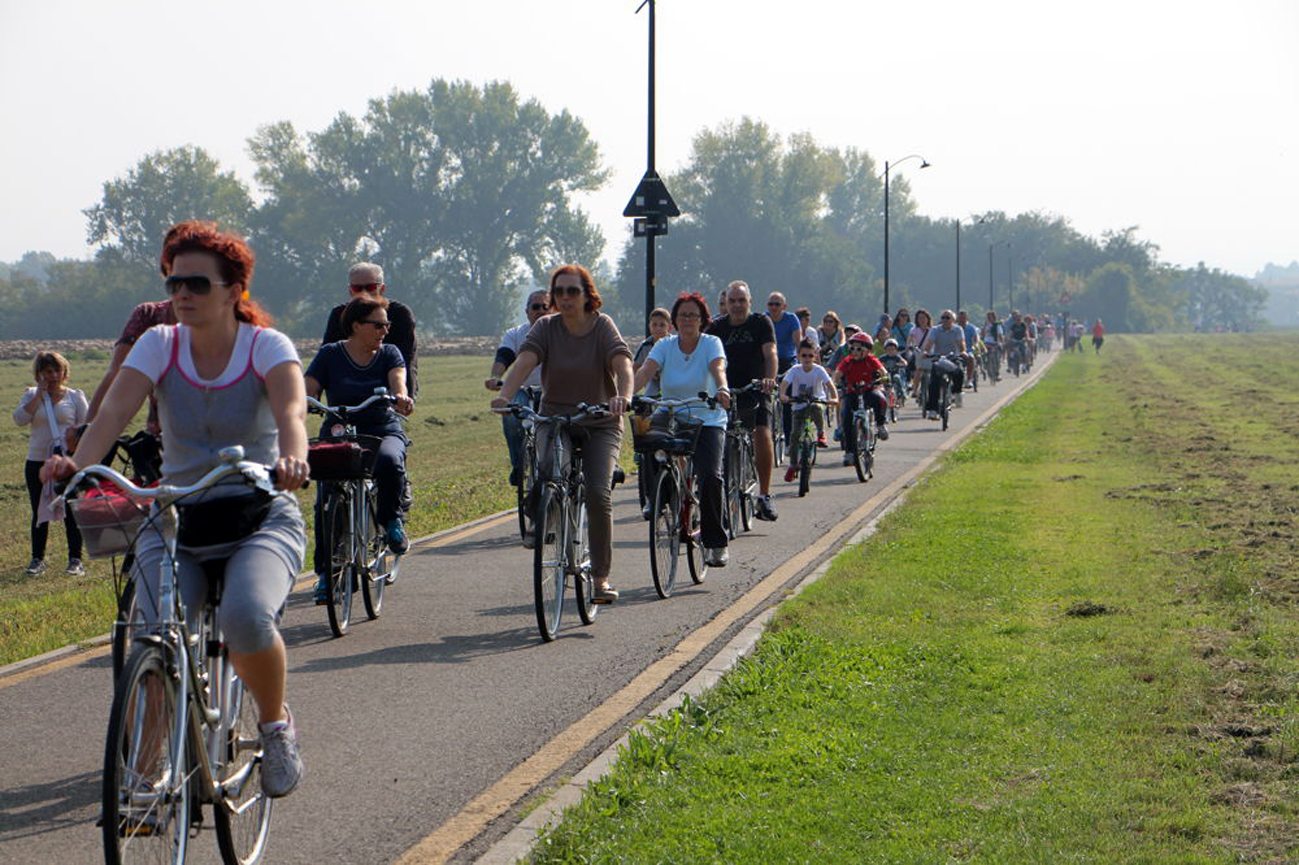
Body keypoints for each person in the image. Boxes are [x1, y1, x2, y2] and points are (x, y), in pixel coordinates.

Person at [43, 220, 311, 798]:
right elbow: (111, 416)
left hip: (259, 514)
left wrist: (292, 460)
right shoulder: (158, 344)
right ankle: (146, 761)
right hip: (176, 517)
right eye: (172, 283)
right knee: (154, 634)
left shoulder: (268, 346)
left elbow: (292, 414)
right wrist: (76, 465)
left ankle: (274, 725)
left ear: (233, 289)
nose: (181, 295)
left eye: (195, 283)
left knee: (244, 617)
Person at [491, 264, 633, 602]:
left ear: (587, 295)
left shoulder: (602, 325)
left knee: (598, 493)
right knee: (550, 474)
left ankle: (600, 578)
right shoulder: (546, 327)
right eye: (559, 292)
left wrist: (623, 397)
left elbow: (622, 363)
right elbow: (525, 361)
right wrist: (505, 395)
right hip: (556, 420)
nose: (565, 298)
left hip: (600, 422)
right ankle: (552, 513)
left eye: (572, 291)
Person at [306, 294, 415, 600]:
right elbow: (309, 386)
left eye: (387, 324)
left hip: (381, 428)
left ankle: (392, 520)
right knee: (326, 502)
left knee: (391, 460)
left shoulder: (390, 353)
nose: (385, 330)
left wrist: (401, 397)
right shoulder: (329, 354)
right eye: (378, 324)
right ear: (355, 325)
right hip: (339, 430)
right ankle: (327, 574)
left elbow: (399, 379)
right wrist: (300, 399)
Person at [633, 293, 731, 566]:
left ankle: (715, 542)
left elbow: (717, 367)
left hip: (707, 417)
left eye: (693, 315)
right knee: (646, 441)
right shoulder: (664, 346)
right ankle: (659, 499)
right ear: (674, 320)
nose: (687, 320)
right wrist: (625, 395)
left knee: (710, 475)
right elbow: (644, 372)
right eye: (683, 315)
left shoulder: (711, 343)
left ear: (703, 320)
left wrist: (722, 387)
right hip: (671, 412)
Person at [707, 281, 779, 521]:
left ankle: (764, 496)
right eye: (732, 301)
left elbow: (770, 353)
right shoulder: (716, 327)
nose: (737, 305)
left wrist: (769, 380)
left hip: (755, 388)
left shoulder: (760, 323)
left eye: (741, 300)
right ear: (725, 304)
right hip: (725, 390)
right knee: (717, 436)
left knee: (761, 432)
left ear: (750, 302)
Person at [15, 351, 88, 576]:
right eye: (48, 371)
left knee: (72, 509)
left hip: (67, 463)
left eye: (57, 371)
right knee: (38, 510)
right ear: (39, 374)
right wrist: (39, 394)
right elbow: (19, 419)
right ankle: (37, 559)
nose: (54, 375)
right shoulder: (31, 396)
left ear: (65, 373)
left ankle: (75, 560)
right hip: (37, 461)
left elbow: (87, 427)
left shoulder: (75, 397)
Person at [322, 262, 419, 399]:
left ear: (382, 289)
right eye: (357, 288)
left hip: (386, 390)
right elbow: (326, 360)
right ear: (350, 291)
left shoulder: (400, 315)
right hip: (348, 391)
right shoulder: (338, 315)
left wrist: (405, 396)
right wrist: (313, 394)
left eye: (370, 287)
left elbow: (405, 359)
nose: (364, 293)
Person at [486, 289, 549, 485]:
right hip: (524, 389)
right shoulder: (515, 334)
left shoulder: (560, 333)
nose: (540, 311)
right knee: (511, 416)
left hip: (552, 390)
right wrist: (496, 377)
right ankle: (519, 464)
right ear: (527, 311)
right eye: (536, 307)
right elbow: (504, 355)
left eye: (545, 307)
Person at [86, 298, 177, 432]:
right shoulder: (149, 316)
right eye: (176, 283)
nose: (185, 292)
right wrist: (86, 428)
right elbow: (117, 372)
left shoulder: (218, 323)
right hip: (161, 437)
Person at [780, 339, 838, 481]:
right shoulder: (795, 370)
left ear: (815, 357)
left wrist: (834, 398)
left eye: (810, 356)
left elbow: (830, 385)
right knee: (794, 436)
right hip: (798, 405)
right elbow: (785, 383)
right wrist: (783, 395)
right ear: (799, 356)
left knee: (815, 407)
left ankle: (820, 432)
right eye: (804, 355)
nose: (807, 359)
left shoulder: (819, 370)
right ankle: (793, 465)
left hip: (816, 402)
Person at [832, 333, 889, 465]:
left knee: (880, 399)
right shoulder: (847, 361)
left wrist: (884, 377)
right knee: (846, 416)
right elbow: (837, 374)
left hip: (869, 390)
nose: (855, 352)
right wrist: (836, 384)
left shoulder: (871, 360)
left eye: (859, 349)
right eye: (852, 348)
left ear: (867, 350)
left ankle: (881, 425)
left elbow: (882, 371)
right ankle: (849, 452)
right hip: (852, 392)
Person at [766, 292, 802, 450]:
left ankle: (789, 440)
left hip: (787, 361)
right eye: (771, 304)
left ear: (784, 307)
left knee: (786, 400)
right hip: (767, 360)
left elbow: (798, 343)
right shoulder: (764, 319)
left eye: (777, 304)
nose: (774, 307)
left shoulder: (791, 319)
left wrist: (802, 363)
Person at [921, 309, 968, 416]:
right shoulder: (935, 330)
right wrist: (926, 352)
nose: (945, 320)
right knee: (933, 383)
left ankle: (957, 392)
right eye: (943, 318)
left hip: (952, 357)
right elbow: (929, 343)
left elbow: (961, 343)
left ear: (953, 320)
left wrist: (963, 352)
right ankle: (933, 410)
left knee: (959, 372)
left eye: (947, 318)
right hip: (938, 358)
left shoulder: (957, 329)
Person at [906, 308, 934, 396]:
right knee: (918, 370)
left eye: (923, 318)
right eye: (919, 318)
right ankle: (915, 390)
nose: (922, 320)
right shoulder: (914, 330)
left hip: (930, 352)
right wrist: (909, 346)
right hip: (918, 352)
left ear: (928, 319)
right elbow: (909, 339)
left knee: (934, 370)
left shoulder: (933, 330)